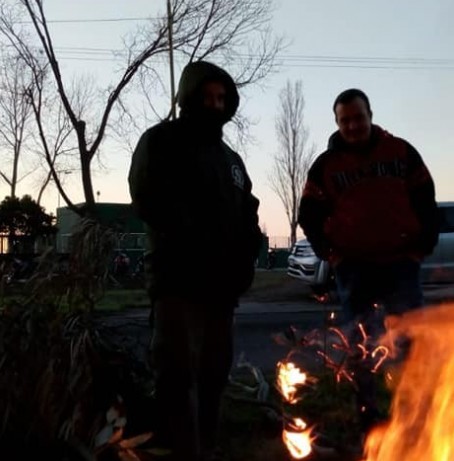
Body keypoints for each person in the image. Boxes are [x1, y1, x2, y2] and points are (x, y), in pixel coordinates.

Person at [128, 61, 262, 461]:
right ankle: (180, 450)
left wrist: (246, 254)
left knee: (213, 372)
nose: (214, 104)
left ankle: (207, 445)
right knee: (176, 372)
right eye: (206, 97)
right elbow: (149, 196)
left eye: (221, 98)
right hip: (178, 281)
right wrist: (197, 240)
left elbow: (248, 211)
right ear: (189, 96)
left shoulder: (232, 159)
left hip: (221, 288)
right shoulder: (162, 141)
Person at [297, 88, 441, 434]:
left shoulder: (401, 152)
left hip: (401, 264)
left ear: (370, 115)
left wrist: (422, 244)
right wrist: (332, 255)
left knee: (409, 339)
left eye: (358, 117)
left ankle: (415, 411)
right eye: (345, 120)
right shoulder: (326, 167)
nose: (353, 125)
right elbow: (309, 215)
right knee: (361, 344)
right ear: (337, 123)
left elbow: (426, 200)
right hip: (355, 268)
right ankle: (368, 414)